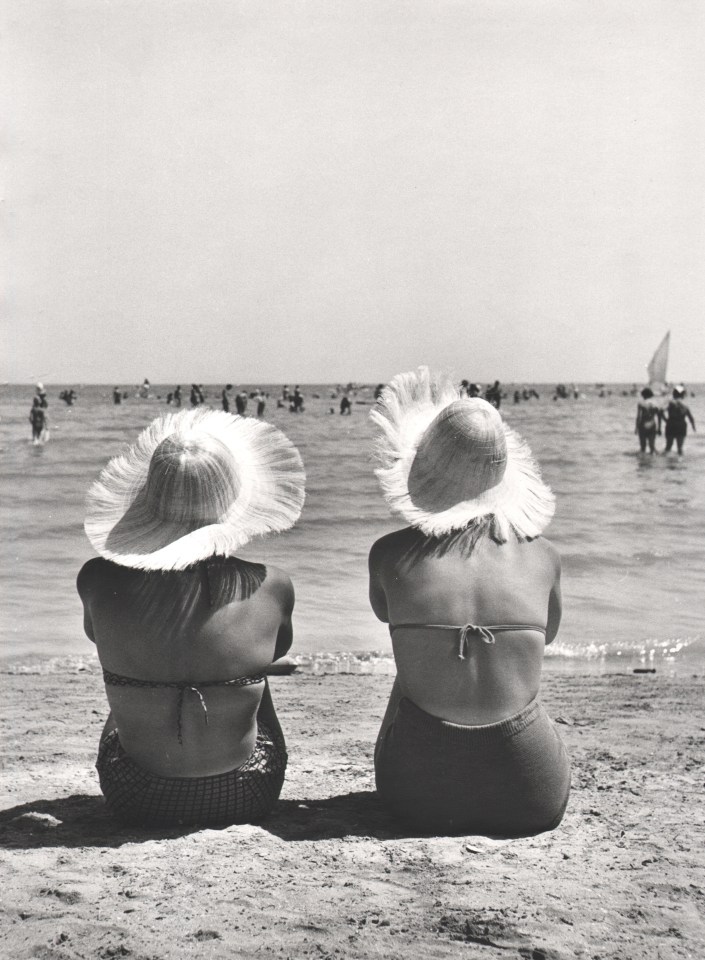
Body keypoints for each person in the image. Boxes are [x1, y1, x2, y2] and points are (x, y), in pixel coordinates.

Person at [77, 407, 306, 828]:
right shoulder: (273, 585)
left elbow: (99, 638)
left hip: (132, 793)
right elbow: (277, 648)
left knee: (126, 667)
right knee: (257, 673)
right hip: (246, 793)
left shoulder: (96, 579)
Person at [368, 367, 569, 837]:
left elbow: (385, 612)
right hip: (530, 792)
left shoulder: (388, 553)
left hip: (414, 798)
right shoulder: (545, 556)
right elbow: (549, 635)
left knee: (413, 664)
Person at [662, 386, 696, 455]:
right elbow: (690, 417)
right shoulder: (685, 405)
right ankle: (680, 463)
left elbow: (660, 411)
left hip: (671, 424)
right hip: (681, 425)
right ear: (682, 394)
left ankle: (666, 463)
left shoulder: (670, 403)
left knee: (668, 446)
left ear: (674, 393)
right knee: (680, 448)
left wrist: (665, 420)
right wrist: (693, 426)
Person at [635, 387, 661, 454]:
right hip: (652, 424)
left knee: (643, 447)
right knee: (652, 446)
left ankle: (644, 462)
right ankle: (652, 461)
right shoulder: (656, 403)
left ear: (644, 395)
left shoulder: (641, 403)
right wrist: (659, 428)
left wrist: (636, 427)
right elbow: (659, 416)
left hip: (643, 424)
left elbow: (638, 417)